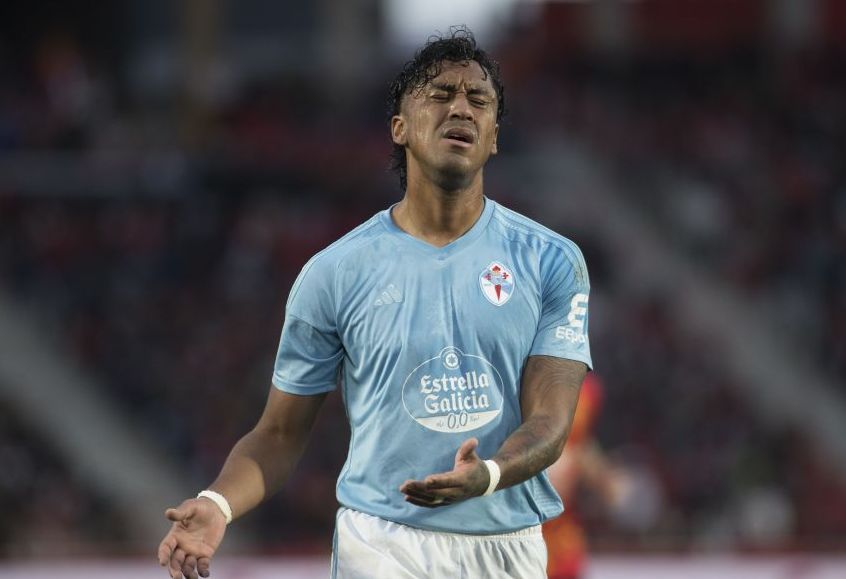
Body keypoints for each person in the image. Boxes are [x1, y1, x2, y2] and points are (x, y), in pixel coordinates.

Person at [157, 26, 592, 579]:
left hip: (507, 545)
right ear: (399, 128)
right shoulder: (334, 272)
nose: (461, 106)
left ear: (493, 137)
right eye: (439, 94)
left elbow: (552, 421)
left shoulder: (551, 261)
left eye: (479, 100)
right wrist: (218, 504)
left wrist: (487, 474)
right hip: (383, 545)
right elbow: (279, 433)